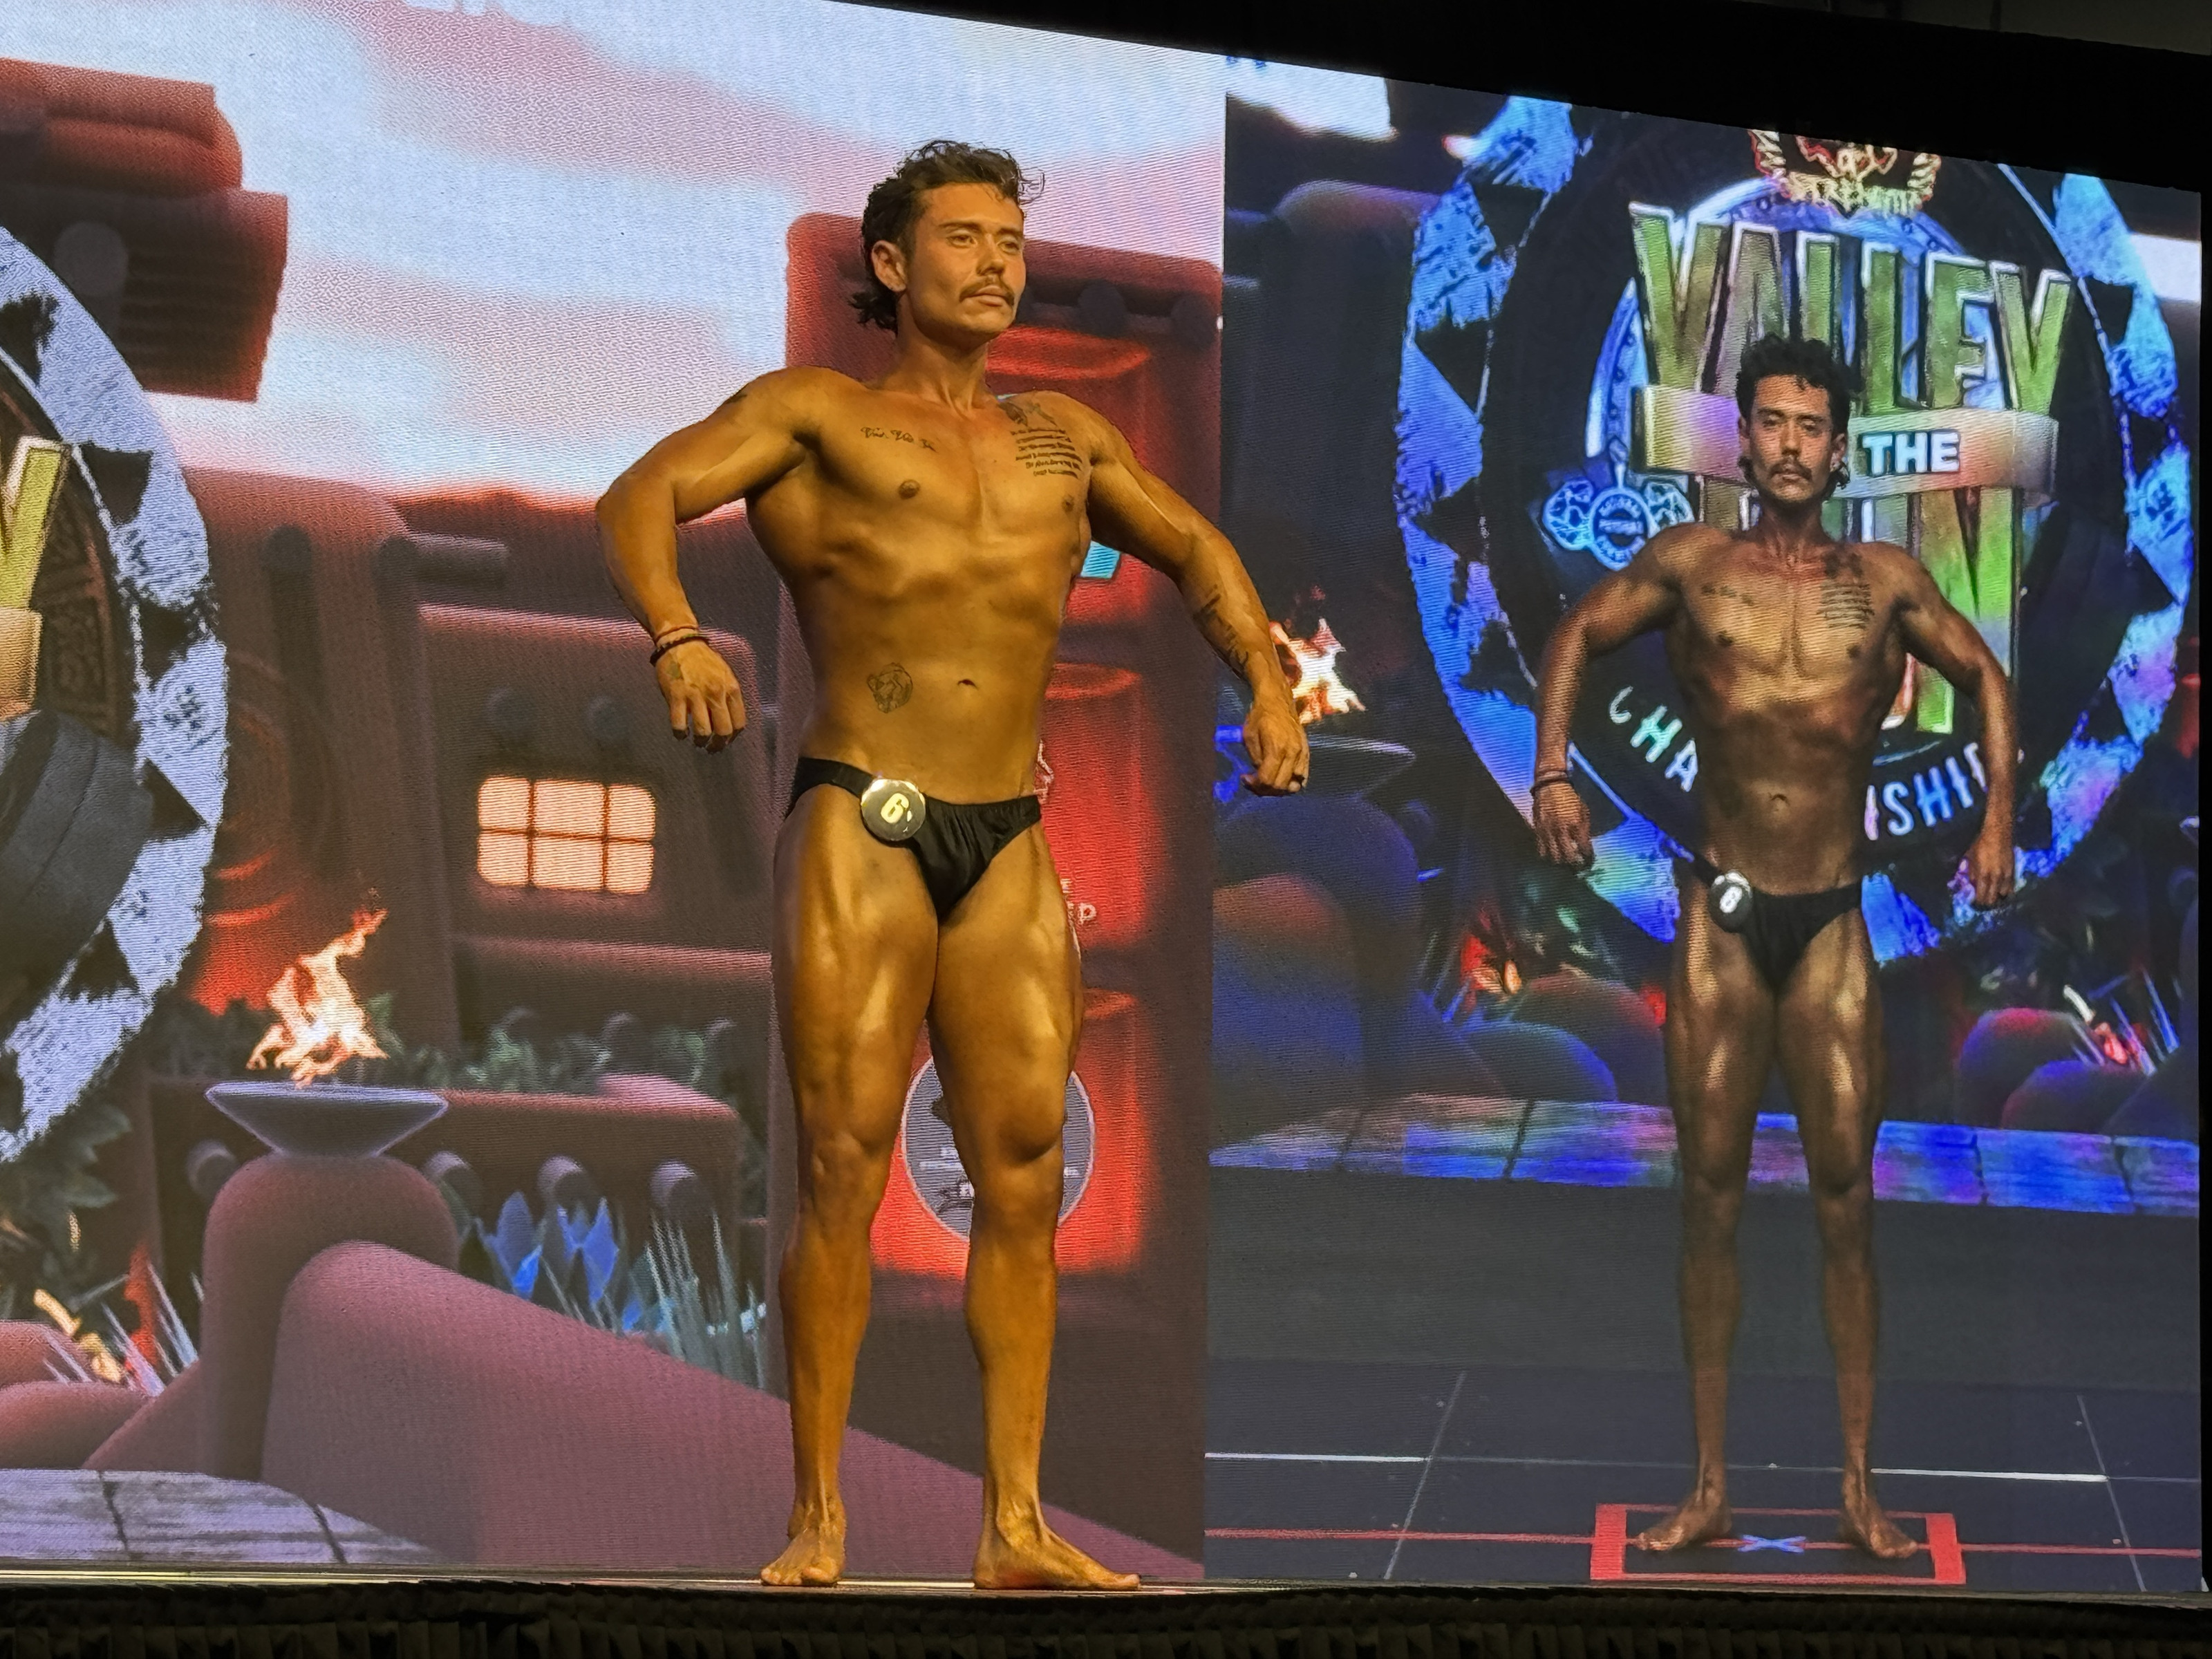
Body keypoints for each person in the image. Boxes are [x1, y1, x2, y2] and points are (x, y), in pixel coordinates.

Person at [596, 140, 1306, 1588]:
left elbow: (1195, 550)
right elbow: (640, 496)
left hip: (1009, 841)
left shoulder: (1063, 439)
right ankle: (817, 1518)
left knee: (1027, 1180)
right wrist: (675, 636)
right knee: (843, 1168)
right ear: (891, 262)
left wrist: (1269, 683)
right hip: (865, 817)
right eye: (965, 239)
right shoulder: (817, 416)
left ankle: (1015, 1526)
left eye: (1009, 243)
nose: (996, 264)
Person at [1531, 335, 2017, 1559]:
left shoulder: (1888, 580)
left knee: (1848, 1205)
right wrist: (1551, 774)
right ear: (1742, 442)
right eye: (1773, 423)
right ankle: (1709, 1487)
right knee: (1709, 1199)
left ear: (1839, 450)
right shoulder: (1693, 566)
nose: (1792, 444)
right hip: (1724, 917)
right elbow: (1577, 633)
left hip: (1833, 923)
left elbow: (1987, 675)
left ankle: (1858, 1488)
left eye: (1812, 426)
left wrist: (1999, 821)